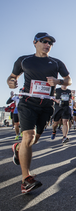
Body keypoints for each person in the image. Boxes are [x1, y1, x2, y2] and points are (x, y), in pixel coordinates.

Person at [8, 32, 71, 193]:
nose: (47, 45)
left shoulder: (56, 62)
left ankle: (17, 148)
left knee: (34, 140)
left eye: (50, 43)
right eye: (44, 41)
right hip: (28, 103)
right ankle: (26, 179)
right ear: (35, 42)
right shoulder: (24, 60)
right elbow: (13, 76)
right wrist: (11, 82)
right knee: (28, 135)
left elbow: (68, 79)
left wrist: (58, 81)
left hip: (46, 105)